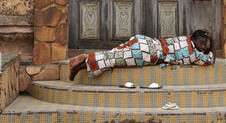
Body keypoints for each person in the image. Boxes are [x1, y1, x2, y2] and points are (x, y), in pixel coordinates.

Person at [69, 29, 216, 81]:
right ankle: (78, 68)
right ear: (195, 40)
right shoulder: (194, 55)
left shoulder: (186, 38)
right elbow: (210, 59)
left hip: (143, 41)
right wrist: (212, 43)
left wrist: (206, 39)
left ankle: (88, 57)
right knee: (113, 60)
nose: (203, 47)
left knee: (113, 54)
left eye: (205, 45)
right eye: (202, 44)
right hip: (147, 53)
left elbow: (202, 46)